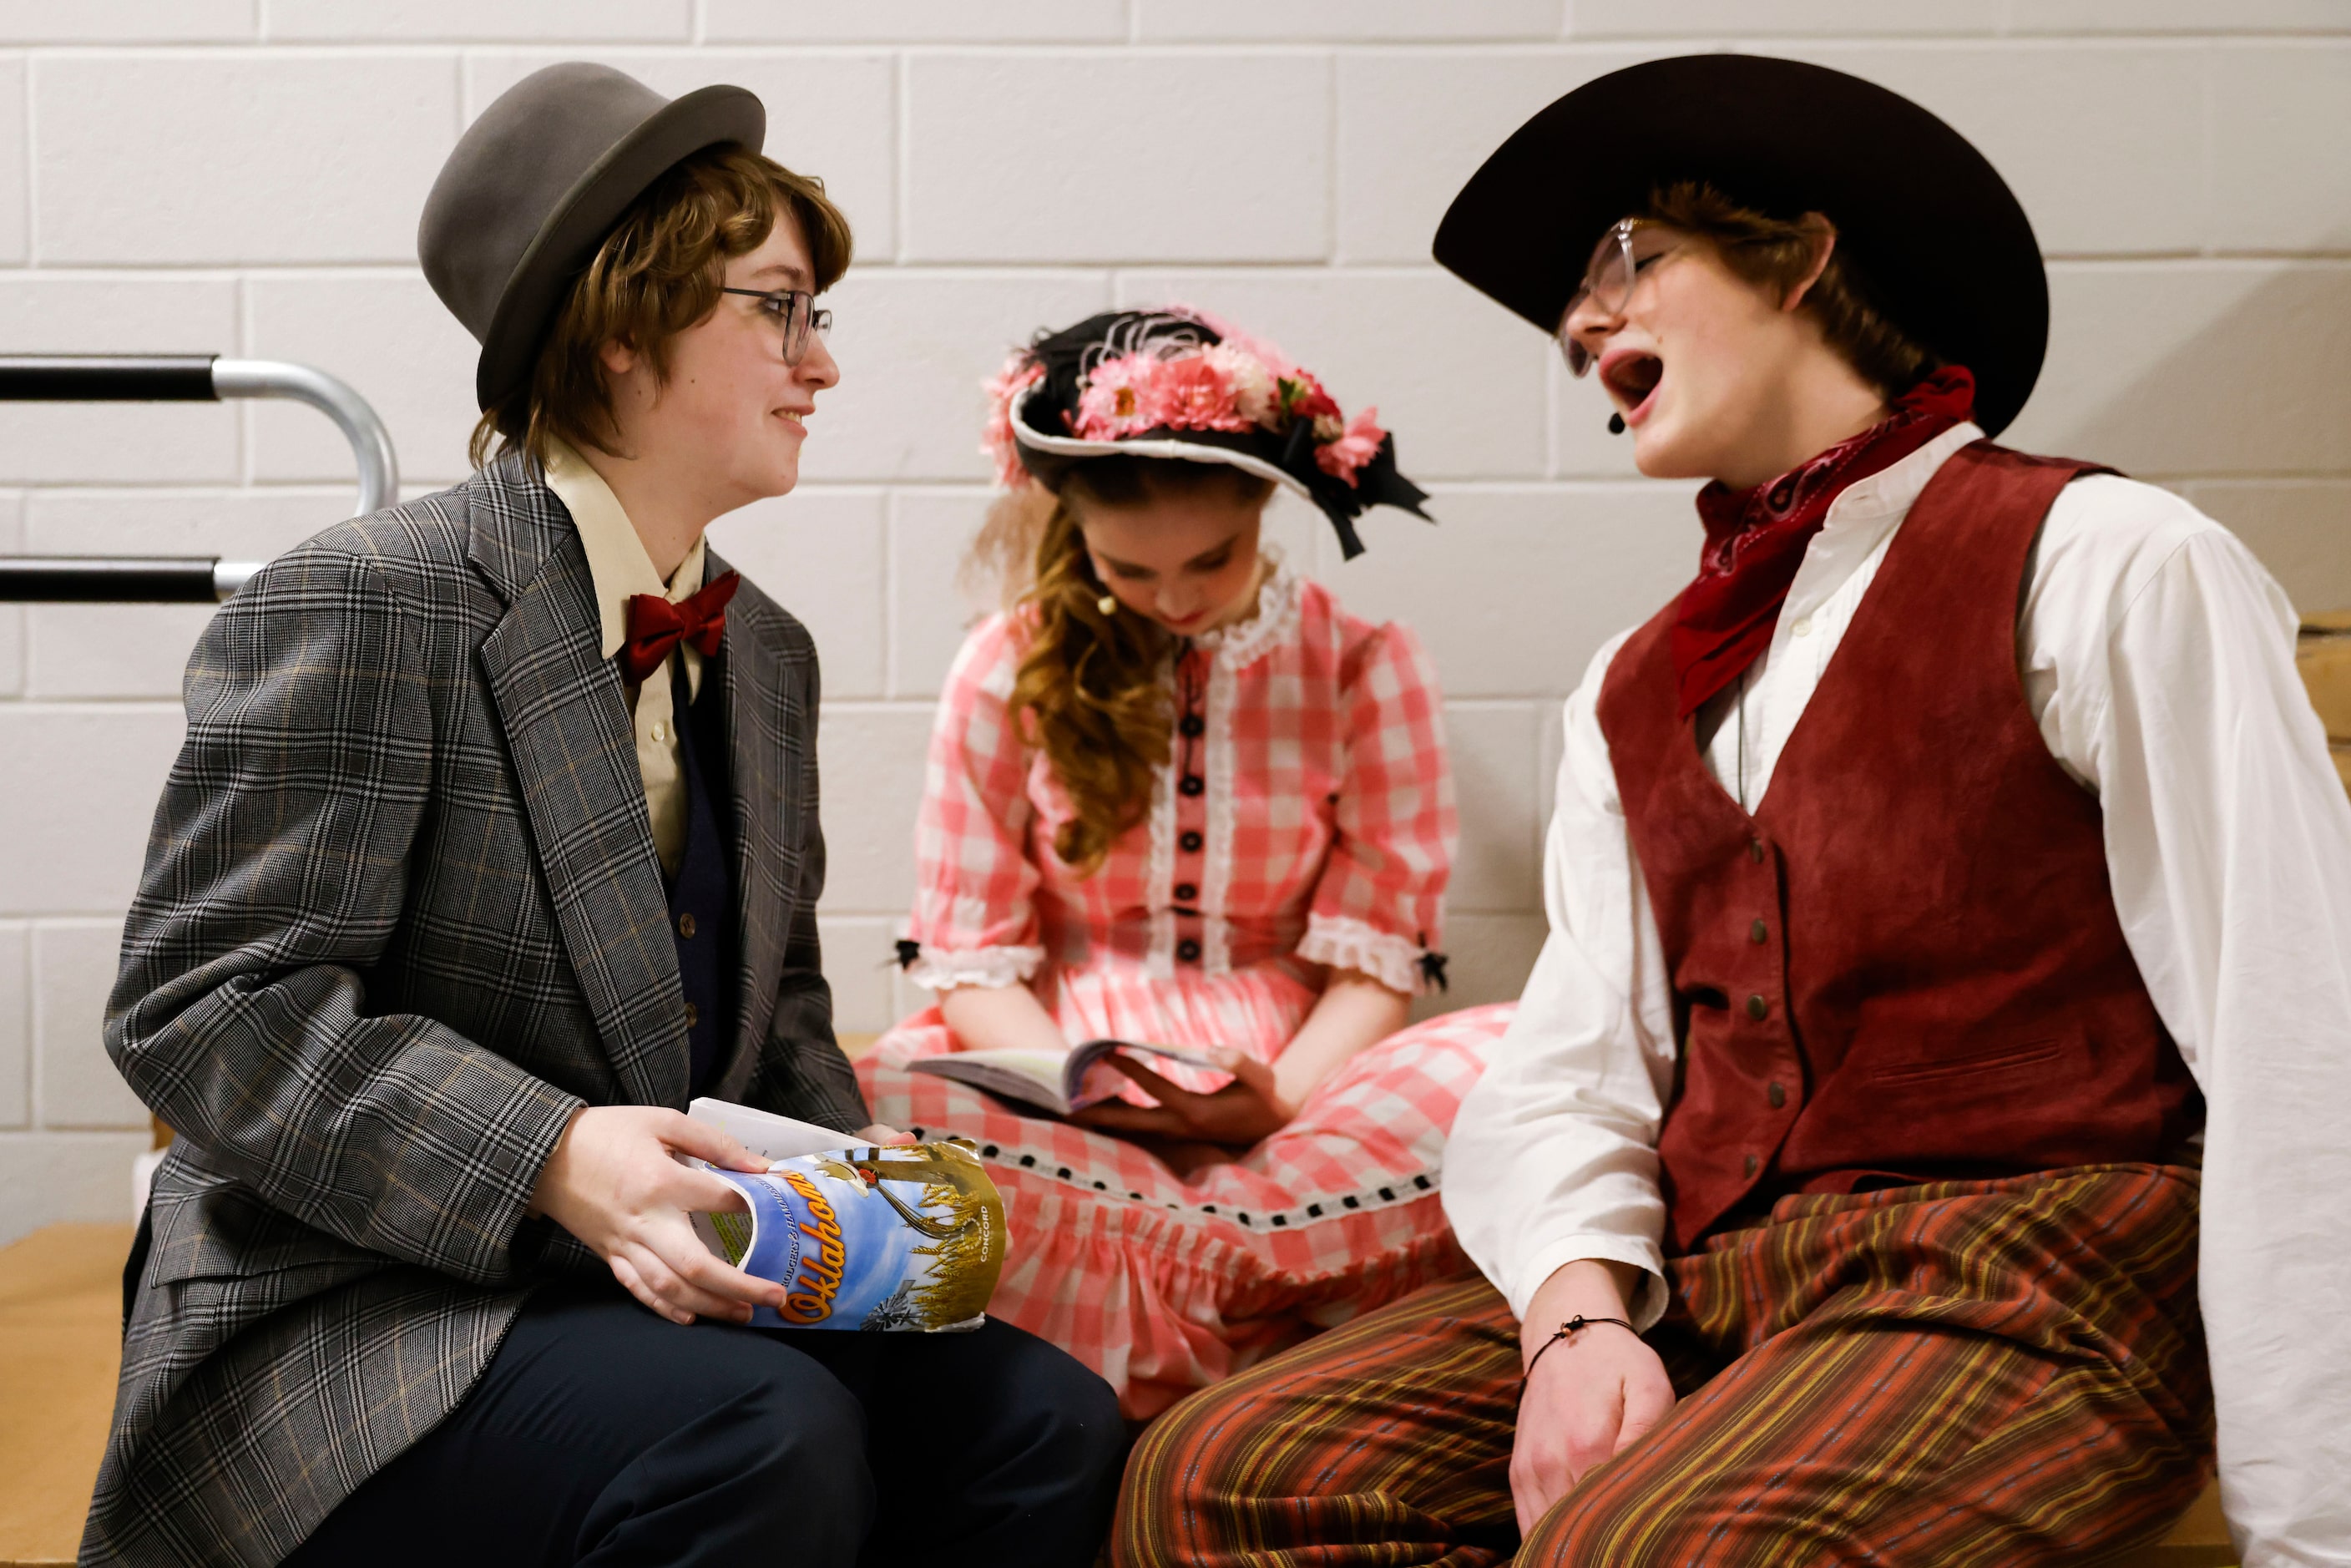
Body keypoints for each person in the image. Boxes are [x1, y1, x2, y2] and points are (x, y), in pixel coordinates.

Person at [1116, 54, 2351, 1568]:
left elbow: (2300, 1038)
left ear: (1806, 255)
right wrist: (1578, 1320)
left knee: (1647, 1554)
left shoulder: (2108, 558)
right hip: (1725, 1281)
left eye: (1623, 262)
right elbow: (1575, 1069)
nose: (1581, 326)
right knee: (1225, 1471)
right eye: (1571, 309)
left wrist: (2316, 1527)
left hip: (2037, 1280)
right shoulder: (1633, 686)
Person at [88, 64, 1120, 1568]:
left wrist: (876, 1219)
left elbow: (781, 1016)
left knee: (1051, 1420)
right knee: (760, 1432)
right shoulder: (372, 595)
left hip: (651, 1290)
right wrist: (556, 1154)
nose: (821, 365)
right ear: (621, 326)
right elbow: (201, 1007)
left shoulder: (765, 652)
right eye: (780, 308)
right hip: (359, 1311)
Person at [855, 307, 1511, 1416]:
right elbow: (975, 969)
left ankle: (1160, 1301)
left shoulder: (1362, 665)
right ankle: (1262, 1310)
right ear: (1072, 529)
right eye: (1130, 568)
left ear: (1268, 507)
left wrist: (1279, 1105)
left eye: (1213, 559)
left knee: (1518, 1059)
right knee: (868, 1101)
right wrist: (1080, 1091)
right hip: (1062, 1087)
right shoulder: (1004, 666)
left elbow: (1375, 967)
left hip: (1304, 1094)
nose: (1174, 598)